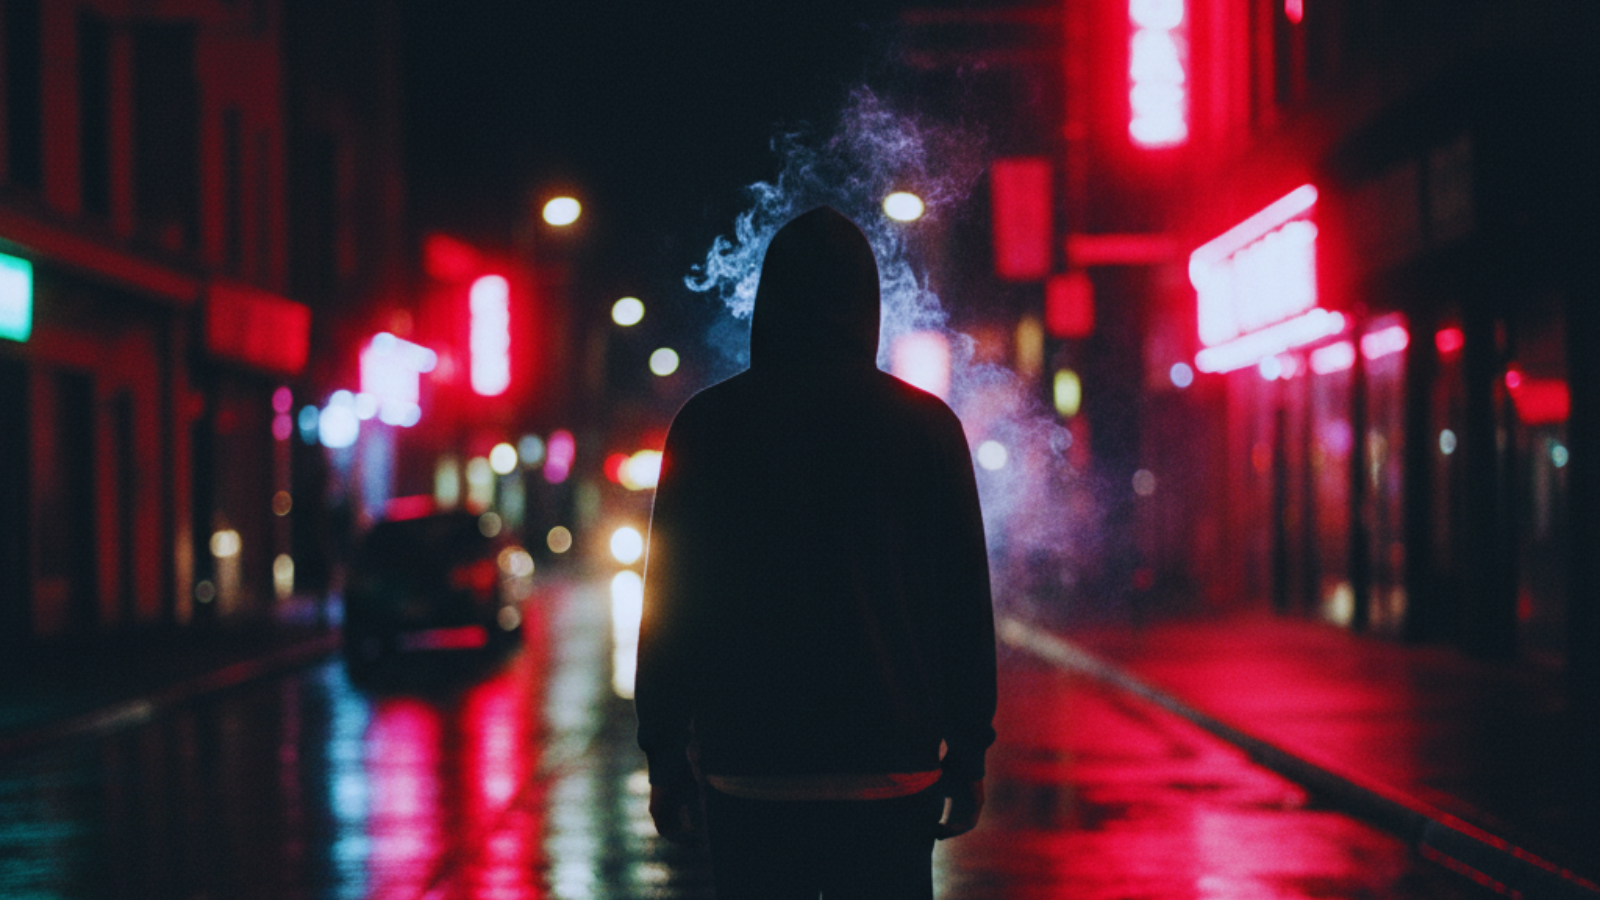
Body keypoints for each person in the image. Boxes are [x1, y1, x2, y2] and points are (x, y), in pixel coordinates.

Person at [635, 206, 997, 899]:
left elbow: (671, 605)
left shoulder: (708, 426)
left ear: (771, 300)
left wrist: (666, 756)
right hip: (892, 768)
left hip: (751, 769)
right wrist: (969, 750)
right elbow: (962, 604)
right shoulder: (927, 427)